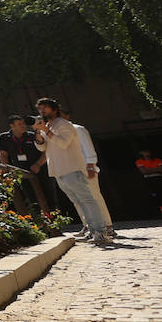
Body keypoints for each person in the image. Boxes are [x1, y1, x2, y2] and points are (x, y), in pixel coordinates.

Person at [32, 97, 110, 244]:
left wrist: (46, 131)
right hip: (58, 171)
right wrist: (38, 133)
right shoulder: (46, 126)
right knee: (78, 202)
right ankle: (92, 230)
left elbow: (64, 143)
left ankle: (101, 232)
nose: (42, 111)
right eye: (40, 109)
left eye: (45, 108)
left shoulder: (64, 124)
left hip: (72, 168)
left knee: (87, 200)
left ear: (54, 109)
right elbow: (42, 147)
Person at [63, 110, 114, 240]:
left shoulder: (78, 129)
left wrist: (90, 166)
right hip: (70, 170)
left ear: (67, 116)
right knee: (78, 199)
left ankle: (107, 226)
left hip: (85, 169)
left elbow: (88, 148)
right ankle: (87, 225)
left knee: (95, 197)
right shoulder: (57, 132)